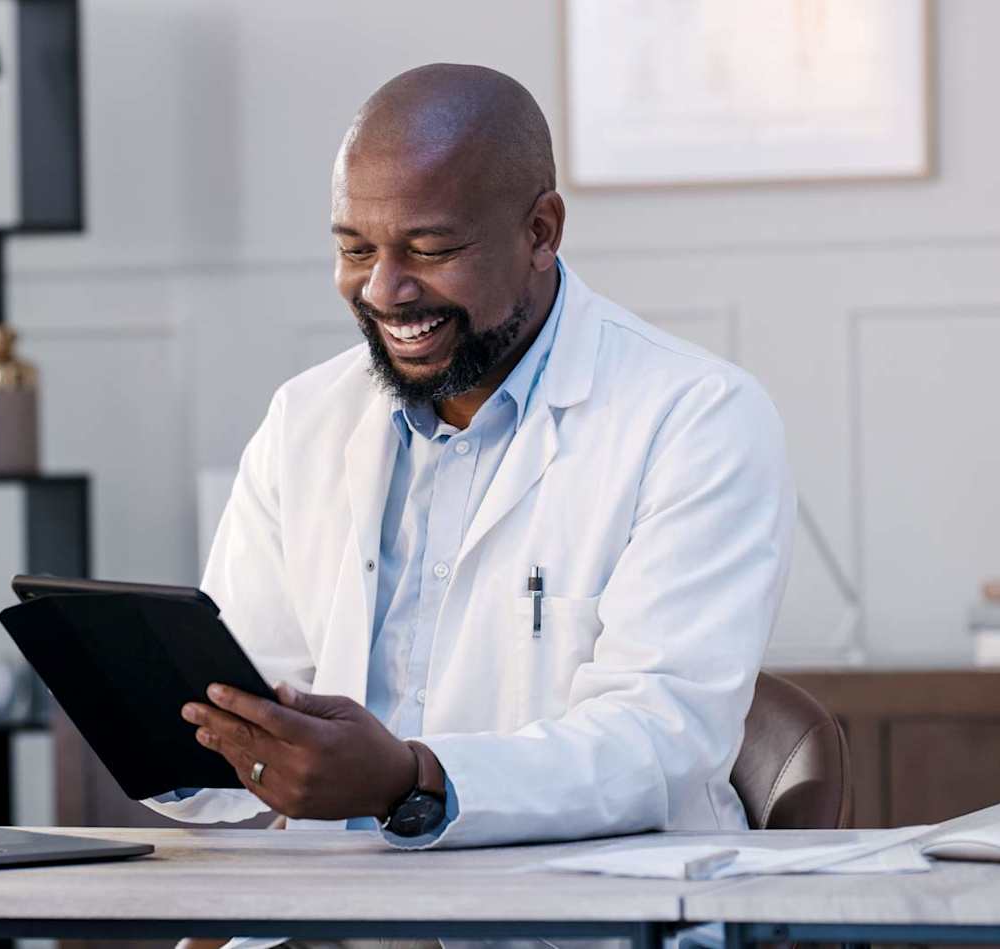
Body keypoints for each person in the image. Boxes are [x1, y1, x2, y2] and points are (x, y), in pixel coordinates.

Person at [150, 63, 795, 850]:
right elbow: (236, 715)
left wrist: (408, 779)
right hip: (329, 906)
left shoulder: (697, 418)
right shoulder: (304, 419)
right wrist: (182, 726)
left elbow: (660, 743)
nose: (385, 291)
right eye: (355, 249)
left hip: (581, 915)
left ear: (541, 232)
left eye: (429, 249)